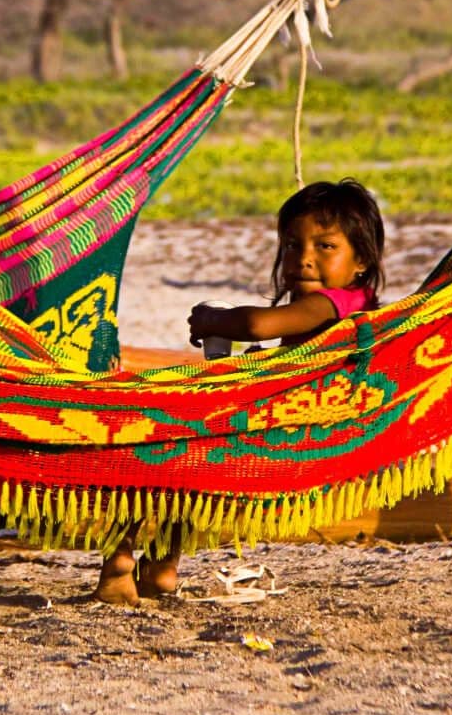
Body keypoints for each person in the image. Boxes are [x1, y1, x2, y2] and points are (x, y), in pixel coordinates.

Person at [93, 179, 387, 605]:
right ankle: (159, 566)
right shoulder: (340, 305)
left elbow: (257, 326)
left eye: (325, 247)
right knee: (186, 464)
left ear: (361, 260)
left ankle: (120, 560)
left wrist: (213, 320)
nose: (303, 259)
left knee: (159, 443)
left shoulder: (335, 303)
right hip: (284, 423)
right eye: (291, 245)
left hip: (287, 435)